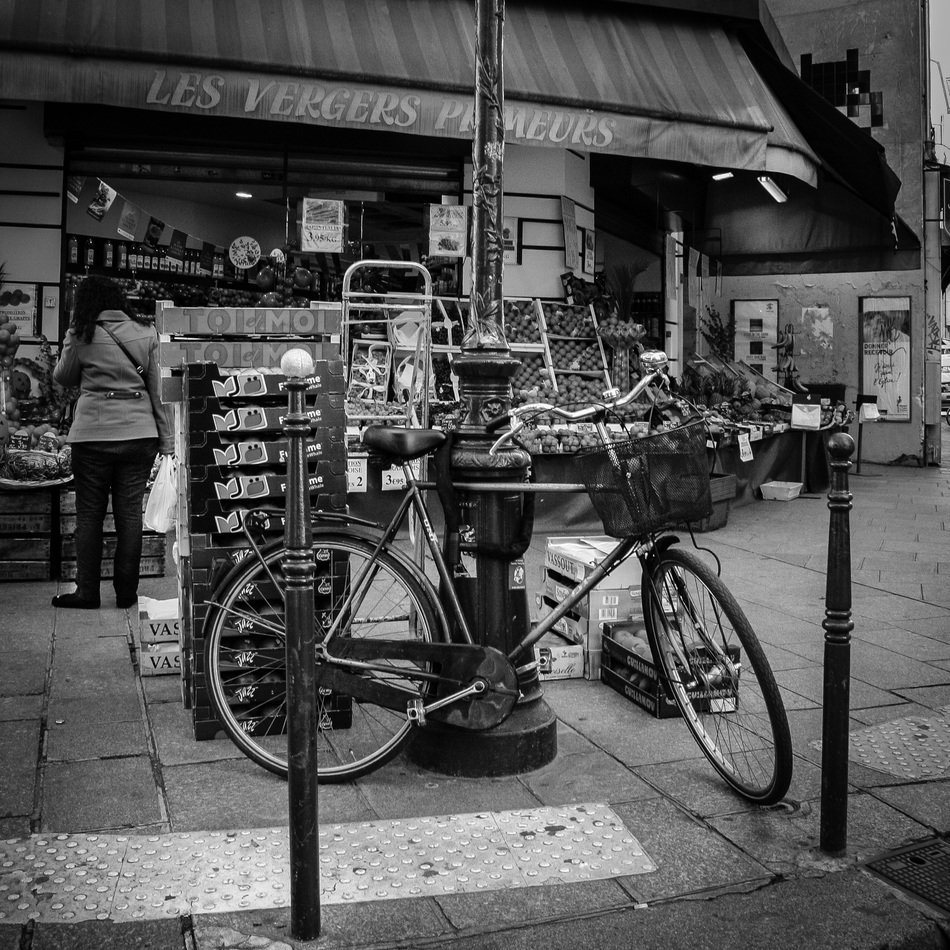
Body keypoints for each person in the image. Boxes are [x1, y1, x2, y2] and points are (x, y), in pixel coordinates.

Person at [51, 275, 173, 609]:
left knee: (89, 515)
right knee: (129, 515)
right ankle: (126, 594)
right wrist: (166, 441)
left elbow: (63, 377)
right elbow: (158, 393)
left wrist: (71, 343)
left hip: (92, 436)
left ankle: (86, 591)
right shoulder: (147, 333)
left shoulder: (80, 334)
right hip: (139, 435)